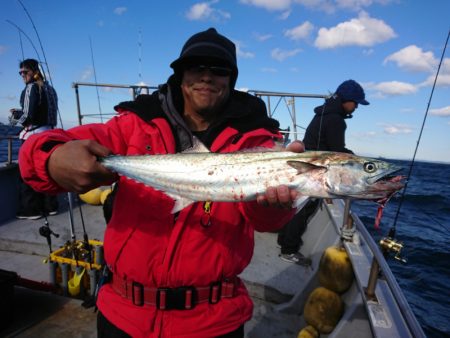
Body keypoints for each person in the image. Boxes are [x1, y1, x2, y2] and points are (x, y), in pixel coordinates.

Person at [18, 28, 304, 338]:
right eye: (196, 67)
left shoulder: (259, 144)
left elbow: (263, 221)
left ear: (230, 80)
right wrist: (51, 157)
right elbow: (45, 146)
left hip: (213, 321)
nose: (206, 77)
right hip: (123, 313)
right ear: (181, 75)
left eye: (219, 70)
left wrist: (277, 207)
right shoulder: (134, 123)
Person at [278, 79, 369, 264]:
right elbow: (337, 151)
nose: (356, 107)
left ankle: (283, 238)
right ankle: (288, 250)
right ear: (347, 99)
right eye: (356, 102)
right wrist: (358, 162)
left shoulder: (322, 113)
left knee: (297, 207)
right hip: (316, 173)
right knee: (304, 210)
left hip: (306, 165)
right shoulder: (336, 120)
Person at [10, 58, 59, 220]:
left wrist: (16, 116)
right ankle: (51, 206)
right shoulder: (50, 89)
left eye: (25, 72)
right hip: (49, 135)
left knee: (27, 172)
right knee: (46, 171)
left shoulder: (31, 88)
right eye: (20, 73)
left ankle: (31, 210)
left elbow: (28, 118)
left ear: (34, 71)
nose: (22, 75)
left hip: (33, 138)